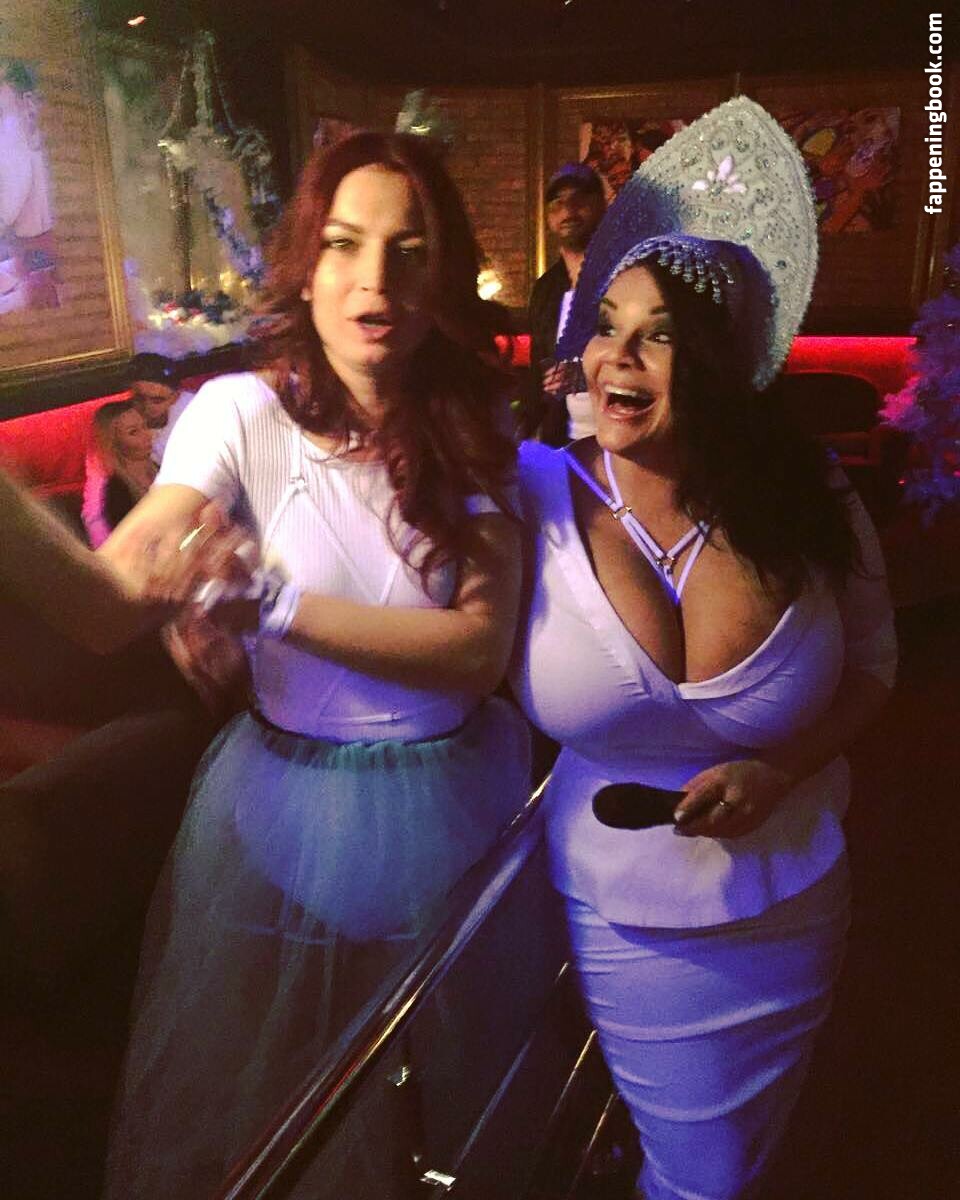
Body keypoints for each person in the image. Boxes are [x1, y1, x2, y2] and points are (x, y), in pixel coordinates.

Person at [100, 129, 532, 1197]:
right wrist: (155, 569)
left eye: (408, 251)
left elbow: (476, 651)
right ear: (305, 265)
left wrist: (277, 606)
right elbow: (130, 563)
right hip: (284, 804)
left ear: (443, 275)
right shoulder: (240, 411)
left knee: (442, 1093)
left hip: (453, 802)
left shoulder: (473, 424)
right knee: (282, 1094)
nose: (374, 280)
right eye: (343, 244)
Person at [510, 97, 897, 1200]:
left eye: (660, 333)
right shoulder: (530, 493)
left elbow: (875, 667)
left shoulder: (807, 493)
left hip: (791, 897)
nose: (617, 356)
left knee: (751, 1155)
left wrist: (785, 766)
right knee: (704, 1174)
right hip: (621, 914)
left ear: (719, 361)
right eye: (606, 325)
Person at [524, 162, 605, 445]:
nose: (568, 210)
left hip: (623, 441)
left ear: (601, 205)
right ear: (548, 217)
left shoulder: (626, 277)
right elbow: (538, 370)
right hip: (564, 441)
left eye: (579, 198)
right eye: (558, 202)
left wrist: (584, 376)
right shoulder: (546, 289)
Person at [81, 400, 157, 548]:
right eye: (133, 432)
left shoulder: (164, 467)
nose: (148, 435)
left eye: (145, 426)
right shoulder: (116, 492)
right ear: (115, 443)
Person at [126, 352, 197, 463]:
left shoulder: (194, 413)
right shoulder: (118, 419)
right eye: (139, 399)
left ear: (175, 397)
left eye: (157, 401)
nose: (147, 407)